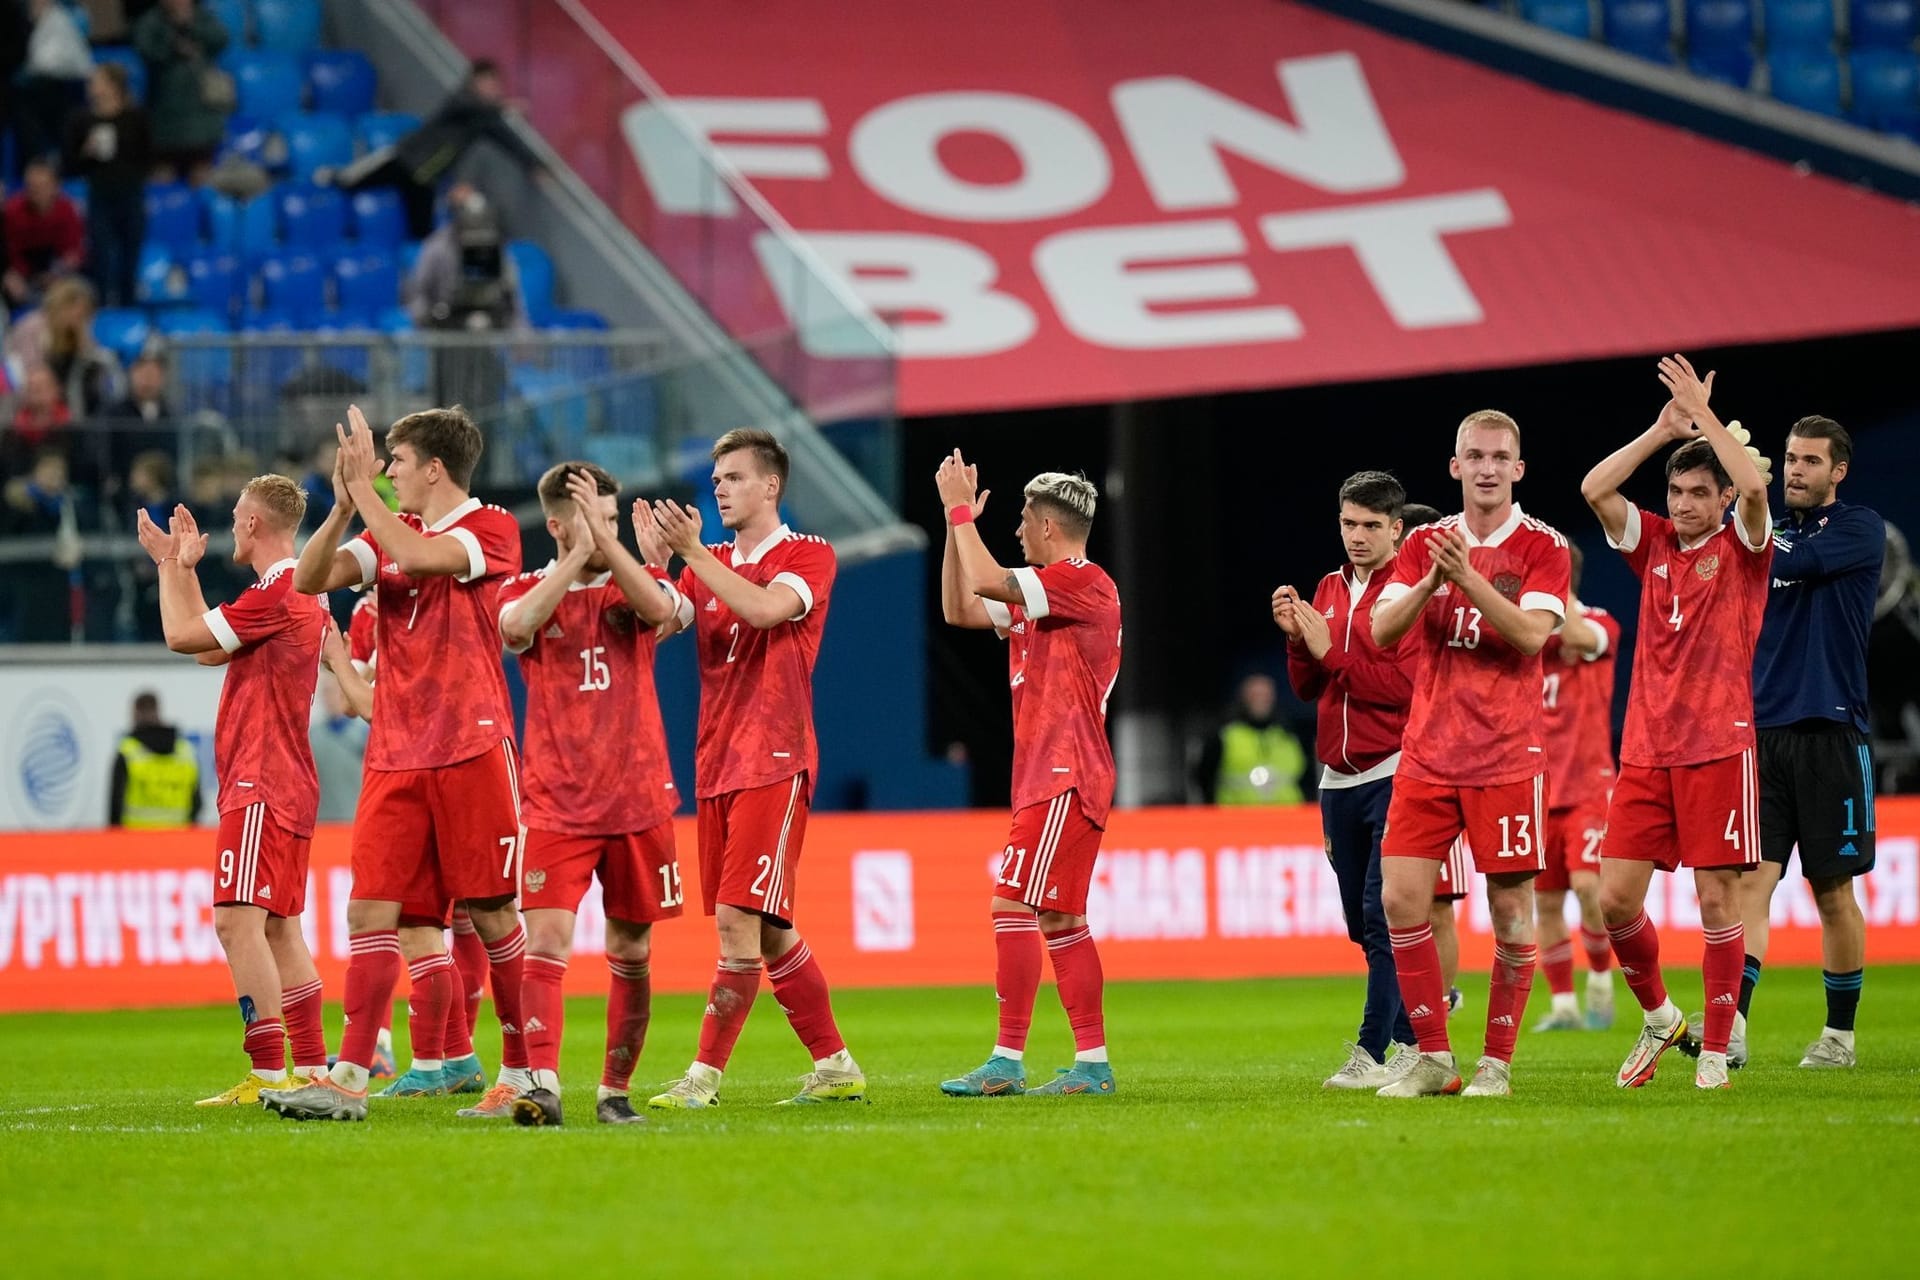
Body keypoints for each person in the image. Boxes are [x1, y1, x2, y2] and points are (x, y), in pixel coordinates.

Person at [265, 404, 525, 1123]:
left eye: (397, 465)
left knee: (493, 914)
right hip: (397, 753)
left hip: (471, 744)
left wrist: (368, 503)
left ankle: (526, 1073)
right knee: (368, 909)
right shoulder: (394, 529)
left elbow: (419, 560)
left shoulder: (490, 528)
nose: (389, 475)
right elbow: (310, 580)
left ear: (435, 469)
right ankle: (348, 1078)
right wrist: (346, 504)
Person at [643, 428, 866, 1109]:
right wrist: (649, 565)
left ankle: (702, 1078)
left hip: (775, 756)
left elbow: (768, 608)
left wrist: (687, 557)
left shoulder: (809, 555)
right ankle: (835, 1066)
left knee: (739, 921)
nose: (720, 488)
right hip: (715, 764)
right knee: (769, 927)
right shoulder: (701, 561)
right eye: (717, 480)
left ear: (771, 486)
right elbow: (658, 620)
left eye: (734, 477)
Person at [1579, 355, 1772, 1092]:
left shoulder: (1745, 550)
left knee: (1716, 899)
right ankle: (1661, 1016)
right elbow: (1596, 488)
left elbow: (1755, 485)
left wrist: (1707, 414)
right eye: (1677, 491)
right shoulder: (1654, 544)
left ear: (1722, 499)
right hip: (1646, 753)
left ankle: (1717, 1051)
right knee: (1615, 899)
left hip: (1719, 748)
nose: (1686, 503)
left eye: (1700, 492)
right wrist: (1664, 429)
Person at [1370, 410, 1570, 1098]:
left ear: (1519, 468)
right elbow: (1379, 629)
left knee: (1512, 913)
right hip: (1427, 753)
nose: (1487, 467)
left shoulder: (1544, 547)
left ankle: (1497, 1063)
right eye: (1475, 455)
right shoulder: (1423, 542)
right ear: (1455, 467)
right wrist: (1430, 580)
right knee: (1400, 900)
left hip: (1505, 757)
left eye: (1500, 456)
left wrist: (1467, 579)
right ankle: (1433, 1057)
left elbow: (1528, 637)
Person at [131, 477, 331, 1104]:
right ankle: (316, 1070)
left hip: (261, 779)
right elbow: (208, 650)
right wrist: (184, 570)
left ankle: (269, 1073)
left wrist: (168, 565)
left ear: (253, 526)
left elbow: (181, 637)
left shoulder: (281, 591)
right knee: (280, 930)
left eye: (238, 516)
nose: (232, 526)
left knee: (235, 923)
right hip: (289, 781)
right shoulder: (297, 595)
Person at [498, 464, 683, 1127]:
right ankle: (542, 1085)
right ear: (555, 526)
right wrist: (574, 558)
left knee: (632, 952)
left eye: (611, 517)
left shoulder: (639, 585)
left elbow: (662, 610)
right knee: (545, 939)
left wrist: (604, 548)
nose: (606, 531)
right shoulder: (525, 588)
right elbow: (515, 629)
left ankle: (614, 1091)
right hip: (556, 803)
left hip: (637, 799)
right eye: (590, 520)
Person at [934, 454, 1121, 1098]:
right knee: (1061, 920)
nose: (1014, 529)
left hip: (1065, 772)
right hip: (1052, 774)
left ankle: (1006, 1061)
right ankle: (1092, 1066)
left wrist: (962, 514)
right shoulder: (1046, 599)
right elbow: (961, 605)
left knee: (1010, 905)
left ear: (1045, 526)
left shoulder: (1082, 580)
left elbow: (987, 575)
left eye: (1019, 519)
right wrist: (951, 522)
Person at [1731, 415, 1884, 1070]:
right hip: (1764, 734)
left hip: (1832, 732)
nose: (1795, 469)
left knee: (1832, 892)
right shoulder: (1774, 539)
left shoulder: (1858, 529)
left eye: (1809, 461)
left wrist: (1744, 496)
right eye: (1789, 459)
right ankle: (1730, 1027)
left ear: (1836, 472)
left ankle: (1839, 1038)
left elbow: (1788, 556)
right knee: (1749, 887)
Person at [1274, 471, 1419, 1089]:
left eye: (1369, 526)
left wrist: (1329, 650)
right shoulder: (1329, 587)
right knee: (1362, 927)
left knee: (1381, 914)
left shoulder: (1408, 593)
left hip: (1394, 769)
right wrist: (1297, 643)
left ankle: (1372, 1052)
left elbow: (1403, 691)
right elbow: (1309, 688)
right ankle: (1415, 1038)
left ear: (1396, 529)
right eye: (1348, 524)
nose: (1357, 536)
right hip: (1337, 780)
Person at [1531, 544, 1623, 1032]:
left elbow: (1582, 635)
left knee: (1590, 887)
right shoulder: (1530, 630)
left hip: (1588, 781)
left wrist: (1554, 590)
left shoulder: (1599, 621)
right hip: (1537, 786)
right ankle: (1564, 1004)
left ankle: (1603, 983)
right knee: (1545, 901)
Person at [339, 60, 548, 240]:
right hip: (405, 161)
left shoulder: (485, 119)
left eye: (495, 84)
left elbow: (507, 140)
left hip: (426, 177)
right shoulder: (460, 100)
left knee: (422, 232)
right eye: (487, 83)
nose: (493, 89)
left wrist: (533, 163)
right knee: (350, 184)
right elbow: (472, 106)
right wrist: (504, 106)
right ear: (474, 82)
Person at [62, 63, 151, 307]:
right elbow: (69, 164)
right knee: (101, 256)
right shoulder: (80, 119)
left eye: (96, 81)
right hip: (99, 196)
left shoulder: (136, 117)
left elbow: (149, 156)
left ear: (113, 85)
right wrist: (85, 152)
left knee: (129, 258)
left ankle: (128, 310)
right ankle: (99, 310)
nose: (91, 87)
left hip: (131, 194)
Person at [132, 0, 230, 181]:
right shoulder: (152, 21)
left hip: (202, 114)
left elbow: (220, 39)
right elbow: (146, 49)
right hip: (165, 116)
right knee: (163, 174)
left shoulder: (201, 17)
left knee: (202, 172)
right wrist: (173, 44)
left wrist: (191, 25)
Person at [1195, 673, 1306, 805]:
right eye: (1255, 694)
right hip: (1237, 820)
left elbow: (1306, 778)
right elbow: (1204, 778)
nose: (1260, 700)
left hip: (1289, 819)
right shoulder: (1225, 736)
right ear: (1243, 697)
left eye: (1265, 695)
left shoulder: (1288, 736)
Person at [108, 688, 200, 827]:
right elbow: (197, 802)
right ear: (158, 711)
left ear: (135, 713)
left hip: (136, 840)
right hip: (178, 840)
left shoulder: (128, 751)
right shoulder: (184, 751)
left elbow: (115, 804)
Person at [16, 0, 91, 168]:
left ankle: (55, 165)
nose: (33, 5)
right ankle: (37, 164)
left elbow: (54, 63)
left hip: (67, 90)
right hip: (46, 91)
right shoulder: (36, 24)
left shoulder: (60, 20)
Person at [2, 160, 85, 307]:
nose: (35, 192)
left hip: (56, 272)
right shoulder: (11, 212)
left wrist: (58, 273)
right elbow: (8, 252)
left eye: (42, 186)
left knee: (75, 290)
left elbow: (74, 252)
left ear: (56, 187)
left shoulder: (67, 210)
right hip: (21, 274)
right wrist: (10, 274)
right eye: (31, 186)